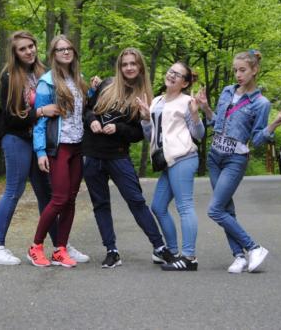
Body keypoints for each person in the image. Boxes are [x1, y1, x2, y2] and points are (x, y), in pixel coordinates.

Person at [0, 31, 88, 266]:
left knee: (47, 194)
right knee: (14, 190)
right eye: (22, 49)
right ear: (14, 53)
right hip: (17, 139)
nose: (29, 51)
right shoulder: (9, 77)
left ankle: (60, 246)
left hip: (39, 142)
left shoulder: (43, 73)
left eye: (31, 46)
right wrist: (40, 112)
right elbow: (9, 118)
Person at [197, 49, 281, 274]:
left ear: (254, 70)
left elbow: (257, 140)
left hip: (235, 159)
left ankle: (254, 247)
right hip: (214, 157)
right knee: (226, 209)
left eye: (243, 70)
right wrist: (205, 107)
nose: (238, 75)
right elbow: (216, 122)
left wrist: (274, 125)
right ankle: (239, 256)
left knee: (215, 210)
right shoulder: (227, 91)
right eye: (235, 70)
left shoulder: (261, 103)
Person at [83, 48, 175, 268]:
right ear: (120, 67)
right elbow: (87, 110)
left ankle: (159, 247)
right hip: (93, 154)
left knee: (136, 200)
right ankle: (111, 251)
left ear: (140, 66)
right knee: (100, 204)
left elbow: (138, 134)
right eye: (125, 64)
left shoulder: (145, 98)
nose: (129, 68)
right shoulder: (107, 85)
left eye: (133, 63)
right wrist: (92, 120)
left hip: (118, 155)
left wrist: (119, 128)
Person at [28, 35, 89, 268]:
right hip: (59, 147)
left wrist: (93, 90)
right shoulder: (47, 83)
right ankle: (35, 247)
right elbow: (39, 122)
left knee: (71, 199)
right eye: (60, 49)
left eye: (69, 48)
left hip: (77, 146)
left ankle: (60, 249)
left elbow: (82, 109)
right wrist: (40, 151)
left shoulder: (78, 79)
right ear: (53, 54)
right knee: (59, 198)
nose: (65, 52)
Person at [137, 61, 205, 271]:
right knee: (158, 207)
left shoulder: (187, 102)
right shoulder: (156, 101)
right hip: (166, 161)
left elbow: (199, 135)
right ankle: (173, 252)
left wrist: (195, 114)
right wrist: (146, 119)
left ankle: (189, 257)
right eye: (170, 71)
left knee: (185, 207)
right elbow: (151, 136)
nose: (172, 75)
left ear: (185, 83)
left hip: (183, 158)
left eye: (178, 74)